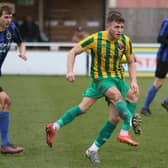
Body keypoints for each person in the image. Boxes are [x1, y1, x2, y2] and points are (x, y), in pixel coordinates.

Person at [45, 11, 140, 164]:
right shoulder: (96, 39)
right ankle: (129, 122)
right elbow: (73, 52)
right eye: (116, 27)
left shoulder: (125, 41)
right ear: (108, 26)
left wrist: (134, 80)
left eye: (122, 27)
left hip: (117, 79)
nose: (120, 30)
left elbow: (130, 61)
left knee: (107, 112)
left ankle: (87, 147)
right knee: (116, 97)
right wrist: (70, 71)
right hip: (100, 79)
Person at [0, 5, 27, 154]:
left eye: (10, 17)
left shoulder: (11, 29)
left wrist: (22, 52)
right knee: (3, 100)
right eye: (5, 17)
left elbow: (20, 42)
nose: (9, 20)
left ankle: (5, 144)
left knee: (6, 102)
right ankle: (4, 144)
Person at [141, 17, 168, 116]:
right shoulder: (167, 22)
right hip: (164, 58)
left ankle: (166, 102)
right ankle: (145, 107)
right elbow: (160, 38)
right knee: (158, 82)